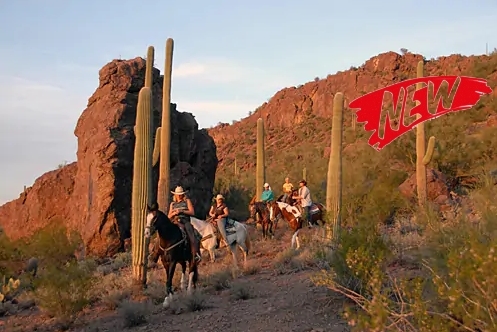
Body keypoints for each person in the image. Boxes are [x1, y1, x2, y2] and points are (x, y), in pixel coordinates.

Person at [168, 186, 202, 262]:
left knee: (190, 232)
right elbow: (168, 216)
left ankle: (195, 253)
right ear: (175, 195)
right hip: (175, 221)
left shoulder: (187, 201)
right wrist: (173, 213)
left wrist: (182, 211)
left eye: (180, 194)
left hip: (184, 220)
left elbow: (192, 212)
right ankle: (156, 252)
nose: (179, 195)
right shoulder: (172, 204)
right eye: (178, 194)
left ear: (183, 194)